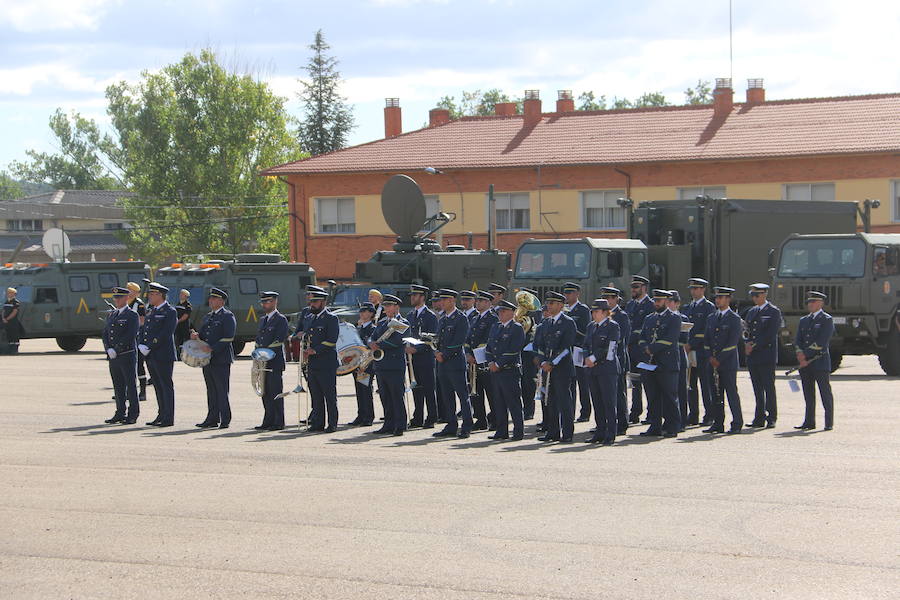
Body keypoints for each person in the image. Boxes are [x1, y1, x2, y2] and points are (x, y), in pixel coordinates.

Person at [638, 290, 682, 437]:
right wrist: (645, 346)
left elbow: (670, 339)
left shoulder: (674, 318)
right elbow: (642, 336)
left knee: (669, 396)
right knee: (653, 396)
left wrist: (652, 348)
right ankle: (655, 426)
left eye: (660, 301)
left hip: (667, 363)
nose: (656, 303)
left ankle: (673, 426)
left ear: (666, 301)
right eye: (655, 300)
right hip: (651, 362)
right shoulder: (649, 318)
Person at [192, 287, 236, 429]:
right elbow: (205, 336)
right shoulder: (208, 316)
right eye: (210, 298)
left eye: (214, 298)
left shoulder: (227, 316)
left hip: (220, 359)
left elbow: (229, 337)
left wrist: (212, 348)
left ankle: (225, 418)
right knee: (211, 390)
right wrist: (197, 337)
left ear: (222, 301)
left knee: (222, 390)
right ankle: (212, 418)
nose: (210, 301)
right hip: (207, 359)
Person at [432, 289, 473, 439]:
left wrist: (444, 354)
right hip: (442, 363)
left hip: (455, 363)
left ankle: (467, 426)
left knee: (463, 395)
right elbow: (437, 339)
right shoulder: (442, 319)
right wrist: (435, 352)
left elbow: (459, 341)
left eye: (444, 300)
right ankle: (451, 424)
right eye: (440, 300)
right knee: (446, 396)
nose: (441, 302)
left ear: (452, 301)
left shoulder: (460, 318)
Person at [703, 287, 744, 434]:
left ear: (728, 299)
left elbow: (732, 343)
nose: (718, 300)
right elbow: (707, 339)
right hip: (713, 362)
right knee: (715, 394)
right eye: (717, 298)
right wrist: (710, 356)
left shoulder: (734, 319)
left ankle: (737, 423)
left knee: (731, 393)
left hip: (727, 363)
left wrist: (718, 359)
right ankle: (718, 423)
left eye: (721, 298)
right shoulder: (711, 317)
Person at [537, 291, 576, 443]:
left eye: (552, 303)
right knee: (550, 400)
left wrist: (552, 363)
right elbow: (540, 345)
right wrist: (542, 362)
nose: (549, 306)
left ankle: (567, 433)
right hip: (547, 367)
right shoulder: (546, 323)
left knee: (564, 401)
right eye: (548, 303)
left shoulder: (568, 322)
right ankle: (552, 432)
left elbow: (566, 347)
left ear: (560, 305)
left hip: (562, 368)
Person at [794, 291, 835, 431]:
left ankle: (828, 422)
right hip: (805, 364)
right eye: (808, 302)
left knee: (825, 393)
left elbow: (822, 341)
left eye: (813, 302)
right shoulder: (804, 320)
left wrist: (805, 355)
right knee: (808, 393)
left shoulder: (826, 319)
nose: (810, 305)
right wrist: (799, 353)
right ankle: (809, 421)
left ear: (820, 303)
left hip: (819, 362)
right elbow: (798, 339)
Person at [485, 299, 526, 440]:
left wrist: (498, 364)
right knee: (499, 402)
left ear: (512, 312)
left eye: (503, 311)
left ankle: (518, 432)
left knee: (513, 402)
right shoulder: (496, 327)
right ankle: (501, 431)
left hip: (509, 370)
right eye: (499, 311)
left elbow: (514, 350)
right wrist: (490, 361)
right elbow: (489, 346)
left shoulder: (517, 328)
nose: (500, 314)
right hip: (496, 370)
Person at [370, 294, 409, 436]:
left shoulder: (402, 322)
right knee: (385, 396)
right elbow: (372, 336)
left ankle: (400, 425)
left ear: (396, 306)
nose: (385, 308)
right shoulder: (381, 323)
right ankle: (388, 423)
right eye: (385, 305)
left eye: (388, 305)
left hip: (394, 364)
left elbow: (398, 341)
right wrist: (371, 342)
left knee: (396, 396)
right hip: (381, 364)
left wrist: (378, 344)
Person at [302, 287, 340, 432]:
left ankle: (332, 423)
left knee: (329, 395)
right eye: (311, 301)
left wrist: (315, 350)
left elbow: (331, 340)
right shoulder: (310, 317)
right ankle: (318, 422)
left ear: (323, 302)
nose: (312, 304)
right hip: (313, 362)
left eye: (315, 302)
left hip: (326, 362)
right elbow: (307, 337)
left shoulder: (331, 318)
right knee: (316, 395)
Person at [583, 298, 621, 444]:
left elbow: (610, 347)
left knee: (608, 402)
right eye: (593, 311)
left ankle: (610, 433)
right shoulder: (591, 326)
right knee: (597, 401)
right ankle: (600, 431)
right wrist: (587, 357)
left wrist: (593, 358)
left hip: (607, 368)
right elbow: (586, 344)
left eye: (597, 311)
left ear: (605, 312)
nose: (594, 314)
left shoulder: (613, 326)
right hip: (593, 369)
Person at [140, 282, 178, 427]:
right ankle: (161, 414)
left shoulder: (170, 311)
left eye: (152, 294)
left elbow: (166, 333)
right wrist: (142, 343)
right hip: (151, 354)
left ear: (159, 295)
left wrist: (150, 345)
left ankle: (168, 417)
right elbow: (145, 329)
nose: (149, 296)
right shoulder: (152, 310)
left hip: (163, 354)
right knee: (157, 385)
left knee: (165, 385)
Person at [744, 283, 781, 429]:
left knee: (768, 387)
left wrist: (754, 344)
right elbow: (746, 330)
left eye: (757, 295)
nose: (754, 298)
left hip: (766, 354)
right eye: (752, 295)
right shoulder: (752, 311)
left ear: (764, 294)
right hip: (753, 356)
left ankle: (771, 417)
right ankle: (759, 417)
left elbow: (770, 334)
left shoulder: (773, 311)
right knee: (757, 388)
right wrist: (746, 343)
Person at [102, 287, 140, 424]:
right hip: (114, 356)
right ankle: (120, 412)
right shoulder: (112, 314)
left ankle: (133, 413)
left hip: (126, 354)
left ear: (126, 298)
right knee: (117, 386)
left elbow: (131, 335)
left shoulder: (132, 315)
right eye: (115, 298)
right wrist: (108, 349)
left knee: (130, 385)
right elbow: (105, 334)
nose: (116, 300)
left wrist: (116, 349)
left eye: (119, 298)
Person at [253, 291, 289, 431]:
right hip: (263, 361)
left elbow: (279, 340)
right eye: (263, 302)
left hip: (274, 361)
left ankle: (279, 421)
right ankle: (268, 420)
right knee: (265, 392)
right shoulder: (263, 319)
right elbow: (259, 339)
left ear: (274, 302)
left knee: (275, 392)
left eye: (267, 301)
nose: (264, 304)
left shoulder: (281, 319)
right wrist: (257, 351)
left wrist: (264, 351)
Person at [683, 278, 715, 425]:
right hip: (688, 351)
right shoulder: (688, 307)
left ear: (703, 290)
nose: (693, 291)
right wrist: (686, 344)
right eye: (692, 288)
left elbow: (706, 331)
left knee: (705, 384)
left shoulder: (708, 307)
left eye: (696, 288)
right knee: (691, 385)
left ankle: (709, 415)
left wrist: (692, 344)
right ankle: (693, 414)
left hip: (701, 351)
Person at [405, 285, 438, 428]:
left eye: (415, 295)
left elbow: (432, 339)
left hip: (425, 357)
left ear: (423, 297)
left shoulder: (430, 316)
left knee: (428, 389)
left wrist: (416, 349)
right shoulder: (410, 315)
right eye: (412, 295)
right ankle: (418, 417)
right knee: (416, 388)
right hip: (412, 359)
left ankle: (431, 417)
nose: (412, 298)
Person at [600, 287, 631, 435]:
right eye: (605, 298)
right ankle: (606, 422)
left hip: (617, 359)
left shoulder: (622, 315)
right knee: (605, 394)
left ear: (616, 299)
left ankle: (622, 423)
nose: (607, 301)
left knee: (618, 393)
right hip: (602, 361)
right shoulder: (602, 316)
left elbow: (621, 338)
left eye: (610, 298)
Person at [466, 290, 498, 430]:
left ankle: (496, 420)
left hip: (485, 360)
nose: (477, 303)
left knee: (491, 392)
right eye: (477, 301)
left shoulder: (493, 319)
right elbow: (468, 339)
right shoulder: (474, 318)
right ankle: (480, 419)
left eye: (481, 301)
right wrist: (467, 352)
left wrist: (475, 354)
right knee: (476, 392)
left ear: (489, 303)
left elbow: (489, 340)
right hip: (473, 362)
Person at [625, 275, 654, 423]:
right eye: (632, 287)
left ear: (644, 288)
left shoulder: (650, 305)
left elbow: (644, 329)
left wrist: (632, 339)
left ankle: (652, 413)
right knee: (635, 382)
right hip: (631, 350)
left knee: (648, 382)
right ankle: (635, 412)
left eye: (636, 287)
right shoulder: (630, 305)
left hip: (643, 349)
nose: (633, 290)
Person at [562, 282, 592, 422]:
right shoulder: (564, 309)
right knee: (570, 383)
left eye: (570, 293)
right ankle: (570, 413)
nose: (567, 296)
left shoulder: (583, 310)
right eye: (566, 293)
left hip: (578, 349)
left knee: (583, 383)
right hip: (567, 350)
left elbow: (585, 331)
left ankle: (585, 412)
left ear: (577, 294)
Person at [517, 287, 542, 421]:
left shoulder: (537, 313)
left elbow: (536, 332)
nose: (523, 303)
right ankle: (520, 409)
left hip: (529, 352)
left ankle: (529, 410)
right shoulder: (519, 314)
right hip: (519, 350)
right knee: (520, 381)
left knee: (528, 382)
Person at [350, 302, 377, 427]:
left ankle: (368, 416)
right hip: (357, 364)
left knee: (366, 390)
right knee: (359, 390)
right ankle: (361, 415)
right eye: (361, 311)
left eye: (364, 311)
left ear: (371, 313)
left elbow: (370, 347)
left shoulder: (372, 329)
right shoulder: (359, 328)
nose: (361, 313)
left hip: (367, 364)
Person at [668, 290, 690, 433]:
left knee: (681, 390)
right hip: (665, 358)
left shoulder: (682, 317)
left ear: (677, 303)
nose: (669, 304)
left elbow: (684, 340)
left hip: (679, 356)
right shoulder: (662, 317)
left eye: (671, 301)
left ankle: (682, 420)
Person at [126, 281, 149, 401]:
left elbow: (142, 321)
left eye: (130, 290)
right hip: (127, 338)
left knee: (139, 365)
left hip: (137, 337)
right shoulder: (125, 303)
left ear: (135, 292)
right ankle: (127, 392)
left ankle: (143, 392)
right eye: (128, 289)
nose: (128, 292)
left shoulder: (139, 304)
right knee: (127, 366)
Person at [2, 287, 23, 354]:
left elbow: (14, 312)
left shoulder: (15, 302)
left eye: (10, 293)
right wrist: (3, 318)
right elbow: (3, 310)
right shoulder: (6, 301)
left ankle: (15, 350)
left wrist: (7, 319)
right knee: (9, 335)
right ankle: (10, 350)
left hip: (13, 322)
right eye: (8, 292)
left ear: (14, 294)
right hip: (6, 322)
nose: (8, 294)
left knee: (14, 335)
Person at [174, 289, 192, 357]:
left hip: (184, 325)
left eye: (182, 294)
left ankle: (187, 354)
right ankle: (179, 355)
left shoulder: (188, 305)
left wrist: (178, 321)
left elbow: (186, 315)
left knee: (186, 340)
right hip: (178, 325)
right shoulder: (178, 303)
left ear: (186, 296)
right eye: (180, 294)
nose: (180, 295)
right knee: (178, 339)